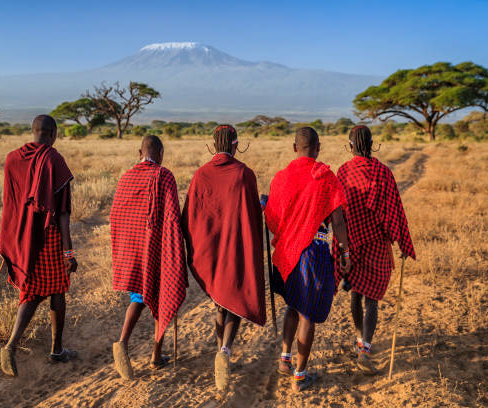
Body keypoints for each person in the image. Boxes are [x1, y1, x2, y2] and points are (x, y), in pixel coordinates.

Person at [263, 127, 351, 392]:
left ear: (294, 148)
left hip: (289, 252)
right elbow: (337, 221)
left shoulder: (281, 178)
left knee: (293, 303)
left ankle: (284, 358)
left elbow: (272, 219)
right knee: (307, 313)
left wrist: (290, 233)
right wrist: (345, 253)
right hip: (314, 252)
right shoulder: (326, 177)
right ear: (318, 148)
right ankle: (300, 375)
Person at [182, 125, 266, 392]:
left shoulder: (200, 174)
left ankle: (222, 350)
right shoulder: (244, 174)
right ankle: (226, 351)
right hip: (236, 248)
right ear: (235, 144)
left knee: (221, 302)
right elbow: (253, 213)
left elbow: (190, 216)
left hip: (209, 250)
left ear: (213, 146)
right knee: (236, 298)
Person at [0, 114, 78, 376]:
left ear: (33, 131)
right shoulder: (54, 160)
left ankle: (55, 350)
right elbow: (63, 212)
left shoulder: (13, 158)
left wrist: (12, 238)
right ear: (53, 134)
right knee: (45, 291)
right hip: (47, 237)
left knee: (47, 289)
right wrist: (68, 252)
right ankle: (13, 346)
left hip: (20, 235)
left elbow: (10, 203)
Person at [335, 125, 416, 375]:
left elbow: (338, 214)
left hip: (352, 244)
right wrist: (402, 242)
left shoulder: (344, 172)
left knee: (356, 294)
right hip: (378, 246)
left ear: (350, 145)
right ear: (371, 144)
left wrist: (342, 249)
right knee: (372, 300)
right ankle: (365, 348)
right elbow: (394, 212)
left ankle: (360, 340)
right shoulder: (383, 173)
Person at [110, 135, 187, 380]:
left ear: (138, 152)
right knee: (162, 296)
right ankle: (154, 355)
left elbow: (116, 214)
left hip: (132, 249)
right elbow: (173, 217)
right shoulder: (164, 175)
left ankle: (125, 342)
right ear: (161, 153)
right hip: (157, 248)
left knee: (140, 296)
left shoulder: (126, 176)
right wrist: (176, 248)